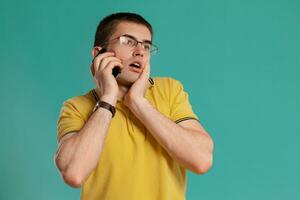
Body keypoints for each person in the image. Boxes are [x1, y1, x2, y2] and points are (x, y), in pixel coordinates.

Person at [54, 12, 214, 200]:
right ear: (99, 53)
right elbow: (74, 173)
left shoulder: (170, 90)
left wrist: (138, 102)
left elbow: (202, 160)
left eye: (146, 45)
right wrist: (108, 99)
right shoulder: (76, 107)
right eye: (128, 41)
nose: (140, 51)